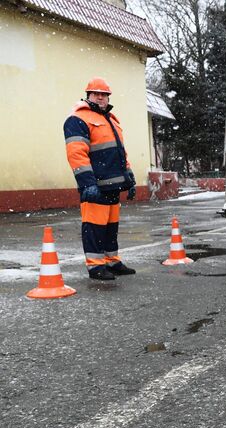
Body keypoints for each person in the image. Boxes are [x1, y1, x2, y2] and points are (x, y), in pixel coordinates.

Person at [64, 77, 137, 280]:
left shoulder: (112, 119)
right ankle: (95, 266)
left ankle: (111, 261)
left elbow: (120, 153)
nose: (100, 97)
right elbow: (77, 154)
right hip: (95, 186)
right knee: (94, 228)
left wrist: (129, 178)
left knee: (110, 228)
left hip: (113, 185)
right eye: (96, 94)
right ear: (88, 95)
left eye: (104, 94)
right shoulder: (77, 119)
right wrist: (87, 184)